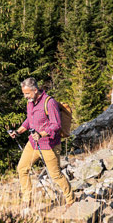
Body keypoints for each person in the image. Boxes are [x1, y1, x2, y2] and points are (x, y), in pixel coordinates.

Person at [10, 77, 75, 206]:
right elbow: (29, 120)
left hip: (49, 144)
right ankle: (26, 199)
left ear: (35, 90)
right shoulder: (30, 102)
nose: (25, 96)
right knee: (22, 168)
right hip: (33, 143)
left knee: (55, 175)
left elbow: (56, 125)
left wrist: (41, 134)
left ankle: (70, 200)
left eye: (27, 93)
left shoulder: (49, 102)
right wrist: (18, 131)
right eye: (24, 93)